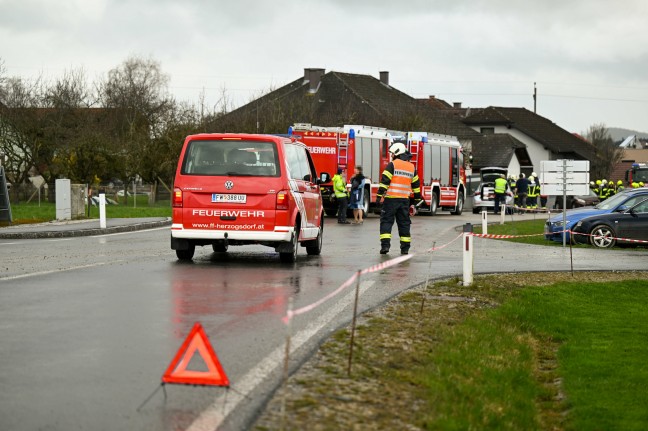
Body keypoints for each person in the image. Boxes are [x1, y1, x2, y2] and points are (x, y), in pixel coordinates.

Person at [376, 143, 422, 255]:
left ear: (397, 153)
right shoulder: (412, 167)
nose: (391, 155)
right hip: (404, 201)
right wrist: (416, 201)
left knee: (386, 222)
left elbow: (385, 181)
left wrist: (379, 197)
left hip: (391, 200)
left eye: (392, 153)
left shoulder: (392, 165)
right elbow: (416, 185)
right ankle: (405, 248)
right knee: (404, 224)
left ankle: (385, 247)